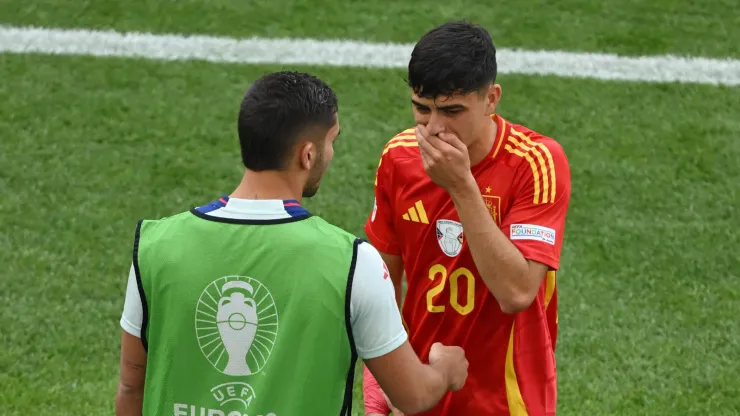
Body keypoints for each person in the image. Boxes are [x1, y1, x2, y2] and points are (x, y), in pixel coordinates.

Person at [114, 71, 469, 416]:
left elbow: (132, 387)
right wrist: (444, 370)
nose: (331, 154)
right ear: (308, 154)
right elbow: (413, 395)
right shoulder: (352, 262)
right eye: (332, 141)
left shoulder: (155, 246)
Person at [363, 21, 572, 416]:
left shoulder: (536, 163)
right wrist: (380, 380)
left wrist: (460, 187)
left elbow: (516, 293)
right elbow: (381, 285)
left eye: (452, 111)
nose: (435, 128)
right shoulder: (398, 158)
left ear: (491, 99)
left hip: (508, 403)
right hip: (419, 394)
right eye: (421, 109)